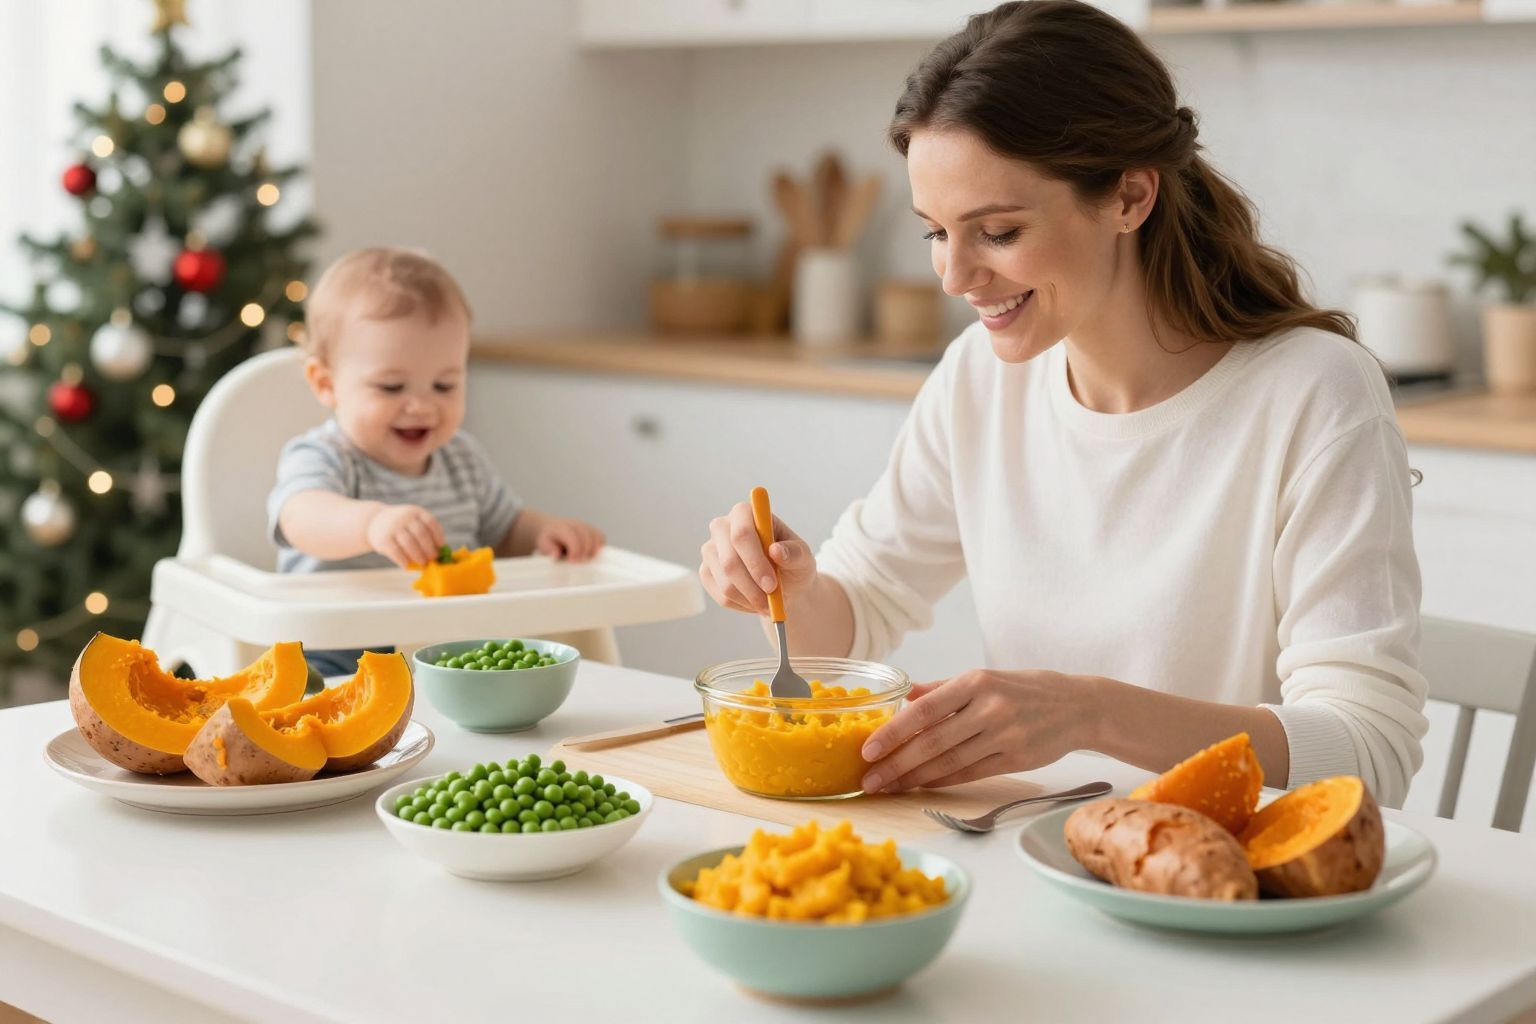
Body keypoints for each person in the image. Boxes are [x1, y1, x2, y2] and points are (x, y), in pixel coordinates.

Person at [698, 0, 1427, 806]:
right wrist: (790, 595)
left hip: (1224, 886)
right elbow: (859, 612)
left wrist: (1090, 713)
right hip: (1030, 850)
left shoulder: (1314, 394)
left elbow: (1370, 750)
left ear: (1129, 198)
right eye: (936, 233)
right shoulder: (981, 377)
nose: (954, 277)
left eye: (998, 232)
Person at [268, 247, 605, 678]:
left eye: (444, 385)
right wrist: (371, 524)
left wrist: (546, 533)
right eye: (391, 387)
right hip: (334, 651)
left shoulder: (462, 459)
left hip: (446, 652)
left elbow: (504, 530)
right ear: (326, 383)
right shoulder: (325, 456)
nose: (421, 406)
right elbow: (300, 517)